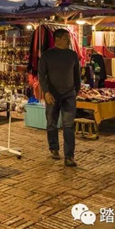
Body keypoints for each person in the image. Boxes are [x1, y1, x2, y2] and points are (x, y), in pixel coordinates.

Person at [38, 29, 81, 167]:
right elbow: (41, 75)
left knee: (68, 125)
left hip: (69, 94)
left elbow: (77, 74)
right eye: (66, 38)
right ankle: (54, 148)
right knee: (51, 123)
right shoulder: (47, 55)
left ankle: (69, 156)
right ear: (57, 39)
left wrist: (76, 90)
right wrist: (46, 92)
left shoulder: (73, 55)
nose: (69, 40)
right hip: (52, 95)